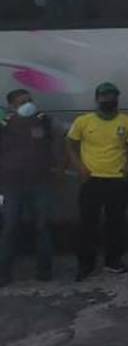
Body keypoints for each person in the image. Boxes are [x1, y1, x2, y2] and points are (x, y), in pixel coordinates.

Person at [66, 82, 128, 281]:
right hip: (91, 180)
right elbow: (71, 144)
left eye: (112, 95)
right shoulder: (83, 121)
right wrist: (80, 168)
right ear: (97, 98)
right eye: (104, 96)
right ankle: (86, 264)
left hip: (117, 180)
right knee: (87, 224)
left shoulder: (127, 121)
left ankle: (113, 261)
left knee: (116, 223)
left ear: (117, 98)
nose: (109, 99)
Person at [0, 90, 56, 285]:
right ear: (12, 106)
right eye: (22, 102)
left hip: (40, 183)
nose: (28, 104)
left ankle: (44, 271)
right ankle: (4, 273)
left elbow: (55, 142)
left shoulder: (43, 121)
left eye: (29, 100)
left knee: (43, 227)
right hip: (11, 185)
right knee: (10, 228)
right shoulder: (4, 125)